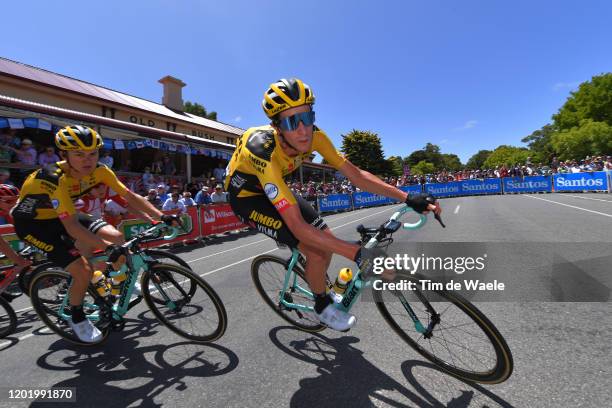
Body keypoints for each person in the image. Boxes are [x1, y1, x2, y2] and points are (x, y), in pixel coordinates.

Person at [225, 78, 440, 331]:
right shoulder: (262, 150)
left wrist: (407, 197)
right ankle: (322, 305)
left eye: (307, 117)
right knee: (316, 249)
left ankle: (318, 282)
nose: (303, 129)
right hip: (248, 199)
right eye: (292, 121)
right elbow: (296, 225)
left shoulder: (316, 136)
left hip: (274, 187)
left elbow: (356, 175)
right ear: (277, 126)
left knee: (324, 241)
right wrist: (358, 253)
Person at [11, 125, 177, 343]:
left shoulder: (100, 170)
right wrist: (107, 249)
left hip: (61, 215)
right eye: (79, 155)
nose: (87, 160)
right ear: (64, 155)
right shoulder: (51, 177)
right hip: (33, 226)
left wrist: (160, 216)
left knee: (117, 237)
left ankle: (118, 284)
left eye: (92, 154)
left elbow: (129, 195)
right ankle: (77, 317)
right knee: (83, 270)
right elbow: (71, 227)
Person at [0, 185, 32, 286]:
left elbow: (19, 228)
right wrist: (18, 259)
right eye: (9, 202)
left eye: (16, 201)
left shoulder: (5, 209)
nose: (13, 204)